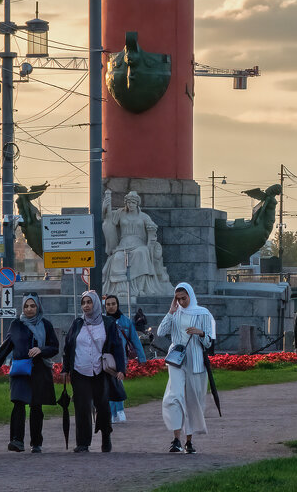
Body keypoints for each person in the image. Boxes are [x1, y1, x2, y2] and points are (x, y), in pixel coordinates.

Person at [0, 293, 59, 453]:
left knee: (36, 407)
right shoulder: (16, 324)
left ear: (38, 307)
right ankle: (17, 440)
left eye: (32, 306)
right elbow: (5, 348)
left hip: (39, 370)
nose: (29, 309)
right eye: (26, 306)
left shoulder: (46, 325)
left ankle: (36, 443)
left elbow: (55, 347)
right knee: (18, 404)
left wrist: (41, 349)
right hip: (20, 370)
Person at [63, 290, 126, 454]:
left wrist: (121, 369)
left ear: (96, 304)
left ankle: (106, 436)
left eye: (89, 302)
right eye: (83, 303)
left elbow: (117, 346)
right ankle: (83, 443)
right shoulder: (77, 324)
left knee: (103, 406)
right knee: (82, 407)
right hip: (80, 370)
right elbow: (68, 347)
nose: (86, 306)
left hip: (100, 372)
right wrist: (65, 369)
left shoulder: (108, 323)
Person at [157, 282, 215, 453]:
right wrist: (170, 312)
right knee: (174, 397)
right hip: (176, 358)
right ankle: (176, 439)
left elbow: (209, 342)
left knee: (192, 400)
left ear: (190, 295)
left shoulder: (203, 313)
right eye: (178, 299)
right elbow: (161, 332)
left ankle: (189, 440)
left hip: (195, 360)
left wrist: (201, 333)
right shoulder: (175, 313)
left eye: (184, 298)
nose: (182, 302)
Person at [102, 190, 173, 302]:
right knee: (118, 258)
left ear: (137, 204)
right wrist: (106, 207)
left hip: (139, 244)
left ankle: (140, 288)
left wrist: (151, 229)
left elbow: (152, 227)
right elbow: (109, 220)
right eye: (128, 202)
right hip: (123, 244)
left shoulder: (144, 216)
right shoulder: (120, 213)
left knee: (142, 253)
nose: (130, 205)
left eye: (133, 203)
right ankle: (122, 289)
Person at [104, 294, 147, 423]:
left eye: (113, 304)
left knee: (118, 383)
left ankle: (120, 410)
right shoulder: (102, 320)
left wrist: (142, 358)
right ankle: (113, 413)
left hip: (121, 358)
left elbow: (134, 339)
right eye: (108, 304)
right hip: (106, 358)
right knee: (109, 385)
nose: (111, 307)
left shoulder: (125, 321)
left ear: (117, 305)